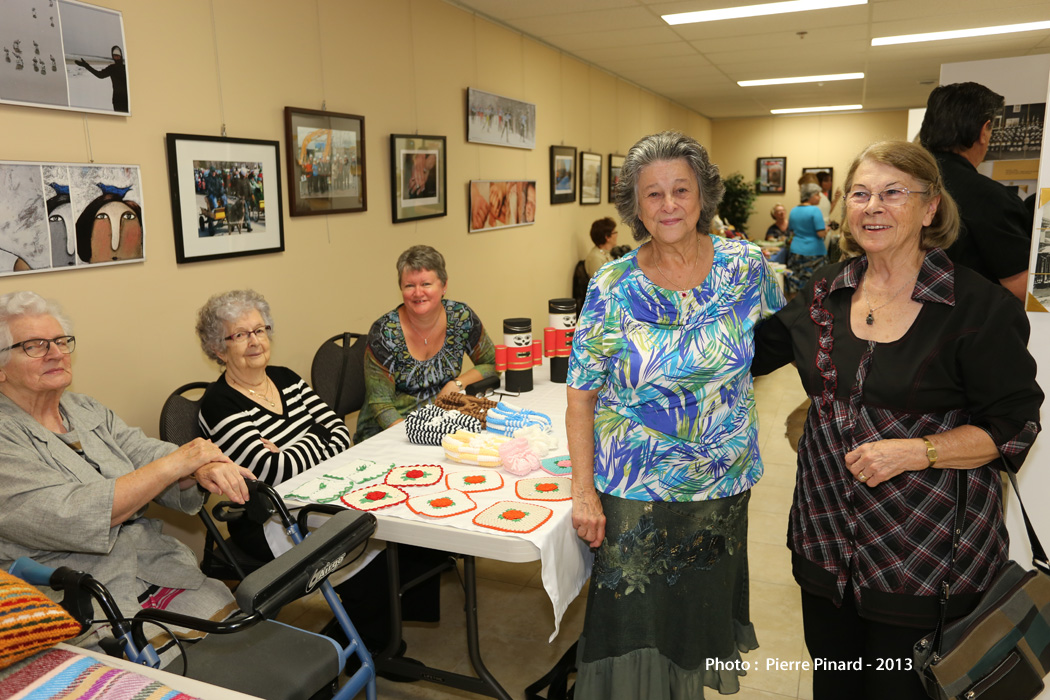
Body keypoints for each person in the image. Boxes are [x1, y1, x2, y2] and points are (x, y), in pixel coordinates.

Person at [752, 141, 1042, 699]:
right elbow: (746, 354)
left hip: (926, 562)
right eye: (860, 193)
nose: (873, 206)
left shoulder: (976, 307)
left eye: (893, 193)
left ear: (930, 208)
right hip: (825, 550)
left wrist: (919, 450)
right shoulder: (822, 295)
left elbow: (1015, 424)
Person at [567, 131, 784, 699]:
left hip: (721, 482)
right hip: (635, 487)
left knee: (696, 619)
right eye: (653, 194)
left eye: (680, 190)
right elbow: (581, 395)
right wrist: (583, 492)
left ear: (703, 195)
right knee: (630, 624)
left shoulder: (746, 268)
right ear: (634, 208)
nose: (668, 206)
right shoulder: (611, 285)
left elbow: (797, 340)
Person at [0, 291, 254, 661]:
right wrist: (178, 461)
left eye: (59, 341)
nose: (55, 352)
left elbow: (143, 450)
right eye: (35, 346)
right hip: (77, 598)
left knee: (239, 632)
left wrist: (200, 467)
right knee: (193, 666)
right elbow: (71, 515)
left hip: (151, 564)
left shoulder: (82, 408)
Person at [195, 289, 352, 559]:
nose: (254, 341)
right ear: (219, 349)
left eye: (259, 330)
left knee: (390, 541)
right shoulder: (219, 403)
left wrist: (289, 449)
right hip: (271, 520)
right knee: (375, 555)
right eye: (240, 335)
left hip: (325, 493)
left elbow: (341, 436)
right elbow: (273, 473)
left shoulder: (285, 378)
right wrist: (316, 434)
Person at [356, 244, 498, 443]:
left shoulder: (461, 317)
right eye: (409, 286)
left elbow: (492, 364)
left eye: (426, 284)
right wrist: (415, 437)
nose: (418, 293)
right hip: (388, 433)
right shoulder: (384, 332)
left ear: (444, 285)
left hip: (442, 424)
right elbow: (382, 405)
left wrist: (456, 383)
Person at [919, 81, 1033, 301]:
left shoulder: (902, 185)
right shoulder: (988, 197)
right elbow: (1023, 286)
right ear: (983, 130)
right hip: (969, 325)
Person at [786, 182, 827, 294]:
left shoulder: (793, 210)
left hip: (796, 251)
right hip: (814, 253)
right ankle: (810, 310)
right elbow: (820, 234)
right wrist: (826, 230)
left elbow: (791, 230)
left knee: (796, 283)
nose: (819, 197)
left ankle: (797, 309)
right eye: (817, 195)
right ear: (810, 195)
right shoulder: (815, 210)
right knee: (813, 286)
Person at [75, 45, 128, 112]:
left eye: (118, 55)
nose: (116, 57)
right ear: (112, 56)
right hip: (117, 100)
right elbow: (100, 75)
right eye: (114, 55)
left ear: (121, 55)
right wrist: (86, 66)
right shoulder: (111, 68)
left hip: (128, 100)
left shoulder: (126, 68)